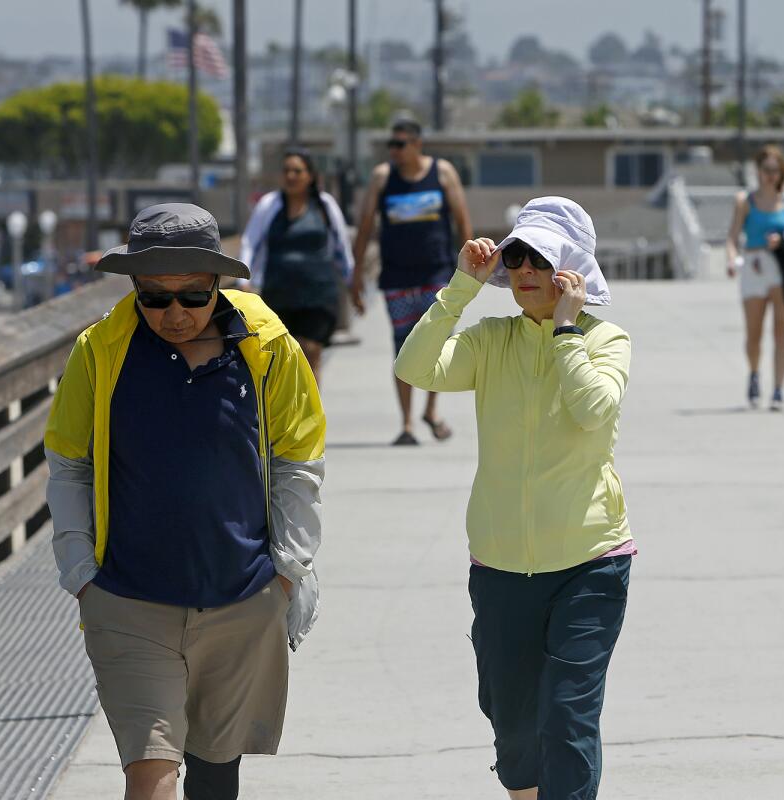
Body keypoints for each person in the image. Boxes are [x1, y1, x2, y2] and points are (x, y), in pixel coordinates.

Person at [44, 203, 325, 800]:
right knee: (150, 773)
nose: (174, 314)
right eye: (155, 297)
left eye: (193, 297)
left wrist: (287, 572)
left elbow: (299, 462)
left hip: (242, 596)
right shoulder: (102, 351)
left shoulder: (267, 347)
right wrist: (80, 574)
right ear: (135, 289)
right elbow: (70, 463)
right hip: (127, 598)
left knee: (217, 776)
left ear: (217, 285)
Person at [394, 197, 635, 800]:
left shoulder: (607, 340)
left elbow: (592, 408)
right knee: (512, 724)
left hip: (591, 561)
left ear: (572, 269)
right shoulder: (489, 339)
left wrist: (568, 332)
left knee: (568, 719)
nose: (522, 270)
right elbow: (415, 367)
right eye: (515, 256)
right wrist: (460, 288)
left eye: (540, 258)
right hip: (501, 564)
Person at [351, 115, 473, 445]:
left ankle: (430, 410)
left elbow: (463, 224)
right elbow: (364, 229)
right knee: (402, 347)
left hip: (437, 273)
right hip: (396, 277)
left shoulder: (443, 173)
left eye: (401, 144)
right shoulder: (382, 178)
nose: (395, 150)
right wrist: (355, 276)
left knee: (438, 343)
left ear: (417, 144)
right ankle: (406, 423)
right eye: (391, 144)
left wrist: (470, 273)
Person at [239, 147, 354, 385]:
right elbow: (250, 241)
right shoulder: (269, 205)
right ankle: (285, 415)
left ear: (310, 175)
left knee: (311, 351)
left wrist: (352, 281)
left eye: (297, 171)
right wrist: (244, 280)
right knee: (281, 357)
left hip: (318, 294)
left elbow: (341, 246)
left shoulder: (324, 205)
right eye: (287, 171)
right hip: (279, 292)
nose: (291, 176)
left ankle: (310, 415)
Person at [725, 145, 784, 411]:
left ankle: (778, 390)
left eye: (776, 170)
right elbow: (732, 237)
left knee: (781, 332)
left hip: (781, 267)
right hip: (753, 264)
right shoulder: (745, 201)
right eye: (766, 170)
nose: (771, 176)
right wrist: (731, 259)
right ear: (758, 172)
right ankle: (753, 374)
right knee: (754, 332)